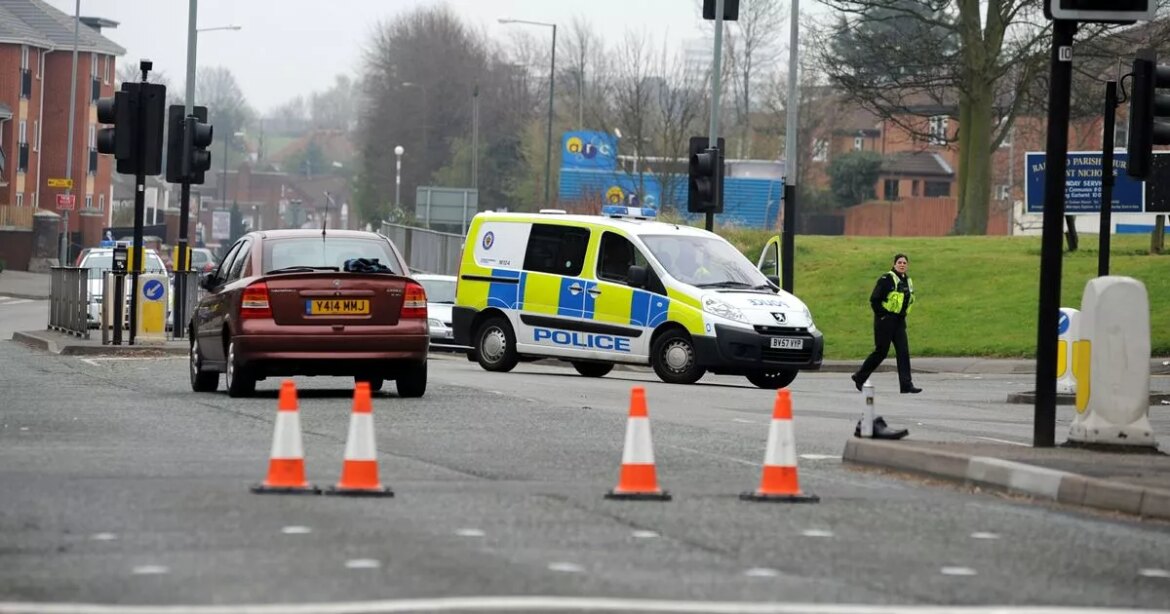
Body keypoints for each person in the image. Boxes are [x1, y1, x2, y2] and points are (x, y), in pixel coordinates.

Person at [851, 253, 922, 394]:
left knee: (903, 352)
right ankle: (859, 377)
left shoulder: (908, 281)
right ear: (894, 264)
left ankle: (906, 385)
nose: (902, 265)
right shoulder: (886, 279)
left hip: (899, 321)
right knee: (881, 352)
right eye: (899, 262)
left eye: (904, 263)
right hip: (885, 321)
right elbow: (874, 300)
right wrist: (883, 316)